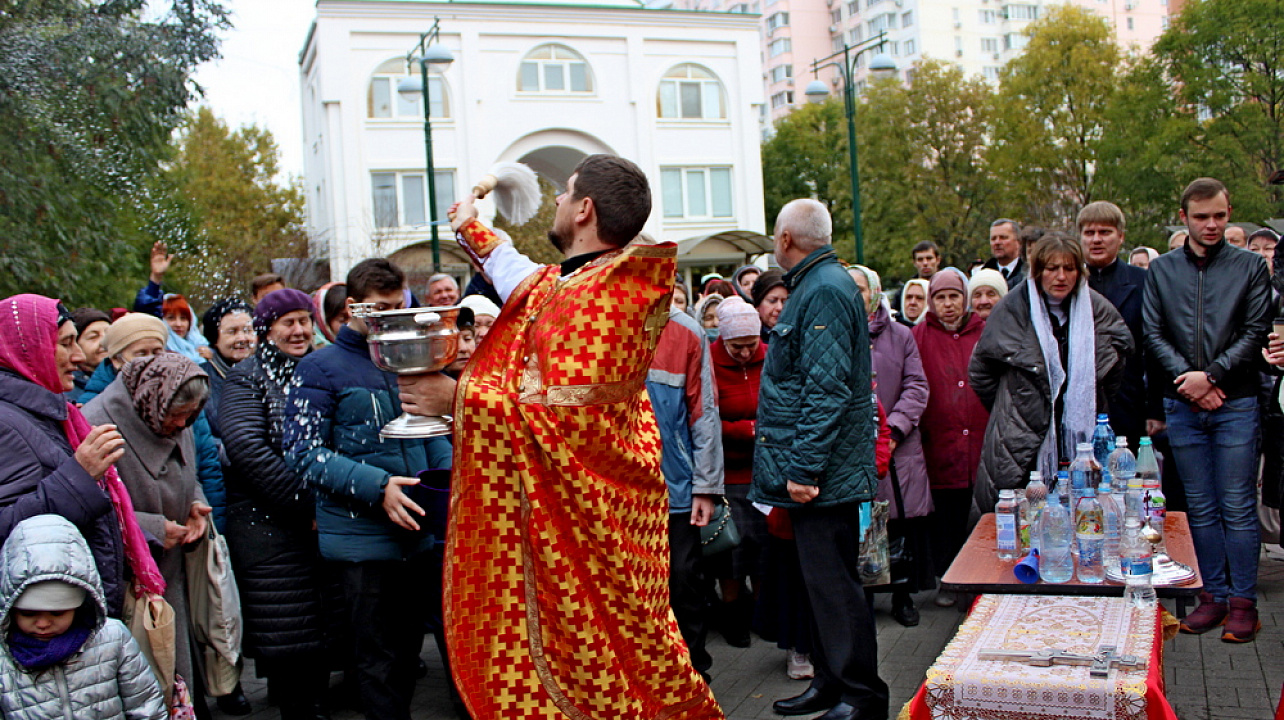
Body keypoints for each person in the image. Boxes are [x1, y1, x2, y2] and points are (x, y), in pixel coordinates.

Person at [442, 154, 721, 719]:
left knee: (616, 662)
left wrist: (451, 399)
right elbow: (515, 271)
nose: (556, 202)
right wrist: (468, 222)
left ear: (585, 209)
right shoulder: (571, 282)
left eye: (564, 193)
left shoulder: (608, 299)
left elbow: (563, 421)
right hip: (576, 518)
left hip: (599, 521)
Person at [284, 258, 455, 720]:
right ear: (356, 306)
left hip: (418, 536)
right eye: (383, 308)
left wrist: (450, 479)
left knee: (408, 660)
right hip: (362, 544)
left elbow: (433, 434)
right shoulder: (319, 369)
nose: (395, 316)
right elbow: (303, 453)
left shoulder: (409, 360)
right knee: (376, 664)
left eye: (400, 305)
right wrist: (378, 487)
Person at [750, 199, 887, 720]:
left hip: (823, 475)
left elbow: (826, 391)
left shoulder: (824, 288)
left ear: (786, 239)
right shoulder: (819, 284)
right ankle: (831, 685)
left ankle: (860, 696)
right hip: (820, 472)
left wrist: (804, 470)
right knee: (820, 588)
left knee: (835, 590)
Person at [1144, 178, 1272, 642]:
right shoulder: (1162, 271)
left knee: (1237, 506)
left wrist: (1212, 377)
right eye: (1202, 217)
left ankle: (1243, 603)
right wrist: (1190, 382)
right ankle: (1211, 596)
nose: (1212, 225)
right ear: (1184, 219)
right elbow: (1153, 333)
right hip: (1182, 404)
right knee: (1199, 506)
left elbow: (1256, 329)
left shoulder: (1251, 266)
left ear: (1229, 211)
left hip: (1234, 400)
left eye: (1220, 215)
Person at [0, 295, 165, 622]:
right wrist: (79, 475)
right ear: (26, 348)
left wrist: (137, 548)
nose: (78, 357)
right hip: (46, 626)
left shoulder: (49, 413)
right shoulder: (6, 424)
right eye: (65, 343)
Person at [221, 288, 333, 720]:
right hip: (269, 527)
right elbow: (246, 447)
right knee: (287, 634)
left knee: (316, 626)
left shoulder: (317, 369)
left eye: (304, 320)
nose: (300, 329)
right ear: (266, 329)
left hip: (313, 522)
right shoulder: (247, 376)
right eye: (288, 322)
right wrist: (304, 502)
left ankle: (315, 705)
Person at [970, 233, 1132, 516]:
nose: (1060, 277)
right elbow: (981, 372)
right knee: (1017, 520)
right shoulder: (1012, 308)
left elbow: (1113, 367)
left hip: (1081, 436)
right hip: (1020, 434)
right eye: (1051, 268)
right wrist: (1013, 406)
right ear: (1038, 271)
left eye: (1069, 268)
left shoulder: (1098, 310)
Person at [83, 354, 215, 700]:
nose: (181, 424)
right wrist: (152, 527)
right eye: (175, 416)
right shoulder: (98, 424)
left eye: (190, 416)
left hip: (174, 576)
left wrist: (194, 503)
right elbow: (89, 506)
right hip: (131, 588)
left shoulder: (176, 413)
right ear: (151, 402)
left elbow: (188, 471)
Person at [0, 514, 167, 720]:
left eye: (57, 612)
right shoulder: (3, 658)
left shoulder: (113, 639)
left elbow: (146, 706)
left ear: (80, 605)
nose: (43, 624)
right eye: (28, 613)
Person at [850, 265, 933, 628]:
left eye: (860, 289)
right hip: (854, 447)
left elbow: (917, 386)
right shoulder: (836, 332)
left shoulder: (901, 335)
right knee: (866, 525)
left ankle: (903, 597)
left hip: (896, 446)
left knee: (899, 525)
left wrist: (894, 430)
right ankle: (865, 598)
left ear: (875, 291)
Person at [646, 307, 723, 679]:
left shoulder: (686, 332)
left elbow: (703, 412)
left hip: (675, 484)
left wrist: (706, 487)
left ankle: (693, 666)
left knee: (683, 579)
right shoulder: (603, 320)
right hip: (620, 490)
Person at [912, 270, 988, 601]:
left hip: (982, 440)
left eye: (953, 296)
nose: (948, 305)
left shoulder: (984, 333)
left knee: (985, 515)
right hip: (939, 443)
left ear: (965, 299)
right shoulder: (918, 335)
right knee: (946, 518)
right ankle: (947, 578)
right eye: (940, 298)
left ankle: (982, 578)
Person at [706, 297, 770, 653]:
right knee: (732, 550)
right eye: (737, 347)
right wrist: (745, 430)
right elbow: (706, 417)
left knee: (762, 549)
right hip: (728, 471)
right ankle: (733, 614)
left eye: (751, 345)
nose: (745, 353)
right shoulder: (710, 362)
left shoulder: (769, 357)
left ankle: (761, 614)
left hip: (763, 470)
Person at [1079, 201, 1154, 446]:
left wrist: (1155, 409)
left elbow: (1153, 345)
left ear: (1120, 237)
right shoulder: (1066, 283)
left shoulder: (1143, 281)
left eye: (1105, 232)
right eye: (1089, 233)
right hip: (1079, 400)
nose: (1096, 240)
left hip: (1129, 400)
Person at [198, 298, 256, 438]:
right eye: (232, 332)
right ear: (215, 339)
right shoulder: (200, 380)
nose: (242, 338)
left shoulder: (268, 373)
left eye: (248, 330)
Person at [69, 307, 112, 402]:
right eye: (93, 337)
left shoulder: (126, 380)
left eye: (108, 334)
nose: (103, 341)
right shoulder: (66, 390)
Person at [982, 218, 1026, 288]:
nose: (997, 242)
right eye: (993, 239)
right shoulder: (982, 276)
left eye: (1003, 237)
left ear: (1018, 242)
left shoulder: (1028, 274)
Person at [752, 269, 788, 342]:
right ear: (758, 305)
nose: (779, 308)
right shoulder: (749, 338)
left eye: (785, 302)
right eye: (772, 301)